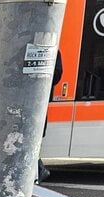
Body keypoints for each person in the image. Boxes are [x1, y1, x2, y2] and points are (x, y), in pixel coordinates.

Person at [37, 50, 62, 183]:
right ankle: (39, 171)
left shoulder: (51, 51)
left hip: (38, 108)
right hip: (33, 109)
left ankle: (38, 172)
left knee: (32, 147)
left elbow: (56, 75)